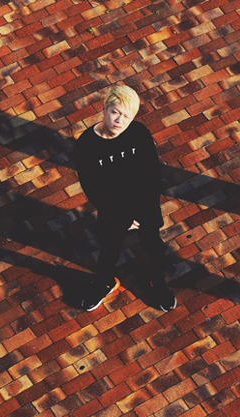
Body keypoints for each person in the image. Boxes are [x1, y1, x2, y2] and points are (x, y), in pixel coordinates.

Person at [75, 84, 176, 312]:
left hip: (144, 204)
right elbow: (93, 187)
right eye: (115, 112)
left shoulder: (139, 133)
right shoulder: (86, 145)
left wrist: (143, 210)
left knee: (153, 246)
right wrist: (123, 217)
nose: (120, 120)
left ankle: (157, 281)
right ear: (104, 109)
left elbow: (152, 174)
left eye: (127, 116)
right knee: (108, 250)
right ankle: (105, 282)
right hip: (112, 209)